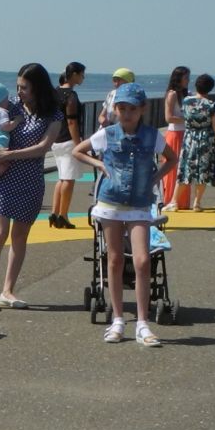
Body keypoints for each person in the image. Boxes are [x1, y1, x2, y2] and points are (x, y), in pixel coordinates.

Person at [74, 82, 176, 347]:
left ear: (142, 109)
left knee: (142, 260)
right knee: (115, 259)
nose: (127, 113)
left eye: (132, 108)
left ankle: (142, 323)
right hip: (111, 203)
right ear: (115, 109)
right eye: (121, 108)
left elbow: (172, 158)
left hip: (140, 205)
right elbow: (78, 150)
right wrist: (98, 164)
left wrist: (155, 178)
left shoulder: (152, 136)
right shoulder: (108, 134)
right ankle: (118, 319)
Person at [0, 64, 63, 311]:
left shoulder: (53, 114)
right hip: (4, 179)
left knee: (20, 236)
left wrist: (9, 153)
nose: (19, 91)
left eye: (24, 87)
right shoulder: (10, 104)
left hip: (30, 180)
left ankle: (8, 290)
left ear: (38, 88)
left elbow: (43, 147)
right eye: (18, 86)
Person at [176, 72, 215, 212]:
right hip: (206, 139)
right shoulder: (211, 105)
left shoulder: (186, 101)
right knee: (202, 170)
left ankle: (175, 201)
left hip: (190, 137)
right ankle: (197, 202)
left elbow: (184, 117)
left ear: (196, 86)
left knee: (185, 169)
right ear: (210, 88)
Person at [48, 63, 86, 228]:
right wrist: (79, 144)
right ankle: (63, 215)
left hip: (56, 140)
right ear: (74, 75)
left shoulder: (55, 93)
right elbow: (72, 121)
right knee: (68, 180)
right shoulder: (71, 95)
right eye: (82, 75)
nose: (83, 78)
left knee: (62, 178)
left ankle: (54, 213)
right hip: (68, 140)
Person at [161, 67, 190, 207]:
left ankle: (181, 200)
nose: (188, 81)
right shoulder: (172, 94)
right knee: (173, 167)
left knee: (184, 168)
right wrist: (188, 119)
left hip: (184, 133)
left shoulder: (185, 94)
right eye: (185, 78)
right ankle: (170, 199)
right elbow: (169, 117)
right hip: (175, 133)